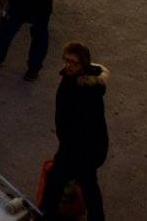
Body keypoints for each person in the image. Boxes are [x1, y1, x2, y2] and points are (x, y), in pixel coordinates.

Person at [39, 42, 108, 220]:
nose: (68, 65)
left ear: (83, 65)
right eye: (66, 60)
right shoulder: (73, 80)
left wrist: (67, 151)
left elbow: (84, 127)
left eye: (73, 62)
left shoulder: (85, 91)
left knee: (59, 180)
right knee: (86, 184)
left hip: (82, 150)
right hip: (77, 147)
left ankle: (48, 214)